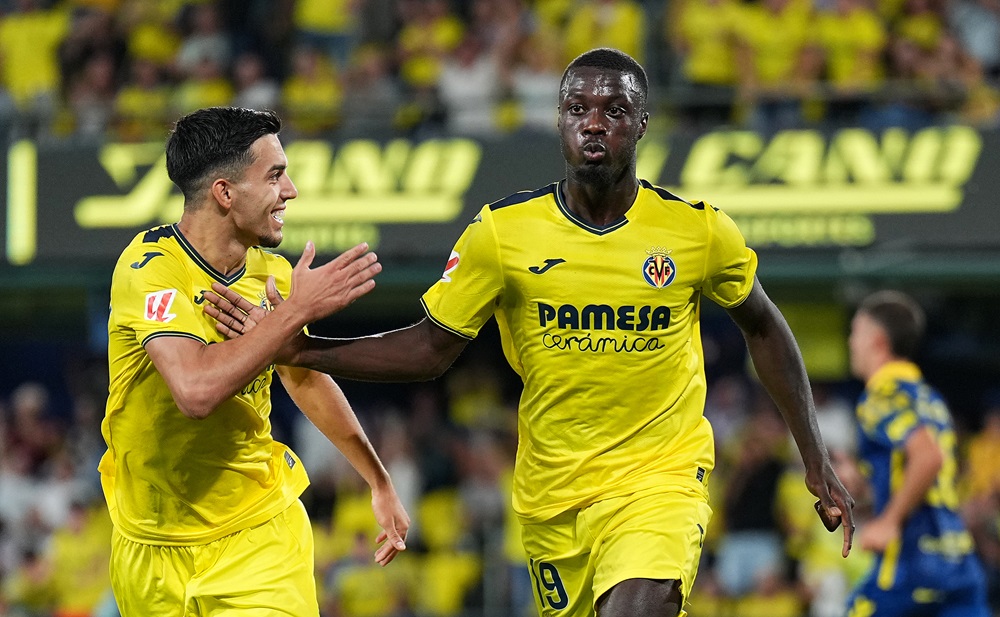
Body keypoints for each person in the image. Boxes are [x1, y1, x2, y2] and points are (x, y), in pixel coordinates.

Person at [205, 49, 855, 617]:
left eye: (613, 109)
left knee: (643, 601)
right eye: (578, 108)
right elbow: (430, 347)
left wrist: (815, 456)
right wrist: (305, 347)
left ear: (642, 125)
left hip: (660, 478)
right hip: (553, 497)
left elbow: (765, 328)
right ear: (560, 121)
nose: (594, 121)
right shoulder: (502, 234)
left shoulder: (699, 230)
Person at [100, 106, 409, 616]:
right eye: (274, 175)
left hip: (258, 532)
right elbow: (195, 391)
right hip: (149, 543)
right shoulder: (150, 270)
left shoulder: (273, 273)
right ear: (225, 193)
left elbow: (304, 377)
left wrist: (378, 480)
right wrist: (293, 316)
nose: (290, 191)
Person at [845, 290, 989, 617]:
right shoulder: (929, 398)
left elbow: (928, 457)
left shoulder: (881, 395)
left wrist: (888, 522)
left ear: (877, 341)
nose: (851, 342)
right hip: (956, 558)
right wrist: (863, 485)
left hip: (911, 562)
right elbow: (925, 467)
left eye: (855, 332)